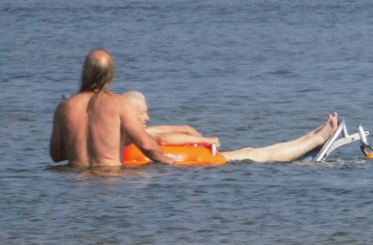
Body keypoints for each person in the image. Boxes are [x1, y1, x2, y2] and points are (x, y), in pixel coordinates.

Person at [122, 91, 340, 163]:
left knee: (251, 151)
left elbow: (175, 130)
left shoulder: (134, 133)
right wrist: (206, 141)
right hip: (204, 163)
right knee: (253, 153)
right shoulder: (134, 137)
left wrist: (196, 137)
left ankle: (312, 136)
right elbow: (164, 140)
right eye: (142, 113)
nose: (147, 117)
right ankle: (315, 139)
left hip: (200, 158)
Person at [50, 49, 174, 169]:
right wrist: (165, 159)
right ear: (111, 74)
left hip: (77, 182)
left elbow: (56, 155)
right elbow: (146, 145)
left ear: (85, 72)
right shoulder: (119, 103)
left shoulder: (64, 107)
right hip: (110, 178)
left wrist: (81, 146)